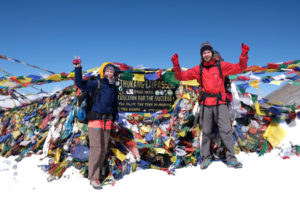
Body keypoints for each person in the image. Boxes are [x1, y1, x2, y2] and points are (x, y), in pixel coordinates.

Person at [171, 42, 249, 169]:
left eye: (208, 52)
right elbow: (181, 76)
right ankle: (206, 157)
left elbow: (239, 68)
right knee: (206, 132)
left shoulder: (221, 66)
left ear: (212, 53)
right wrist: (176, 64)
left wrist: (244, 54)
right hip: (206, 104)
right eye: (204, 53)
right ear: (202, 55)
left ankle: (231, 158)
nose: (206, 54)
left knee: (226, 130)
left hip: (220, 103)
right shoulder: (198, 69)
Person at [73, 57, 119, 189]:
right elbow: (80, 84)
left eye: (111, 72)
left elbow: (115, 105)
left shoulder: (113, 87)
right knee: (96, 149)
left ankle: (98, 174)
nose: (109, 73)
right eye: (107, 71)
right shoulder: (97, 83)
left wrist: (115, 119)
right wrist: (78, 68)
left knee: (103, 150)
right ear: (103, 72)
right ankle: (93, 177)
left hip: (107, 122)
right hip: (95, 121)